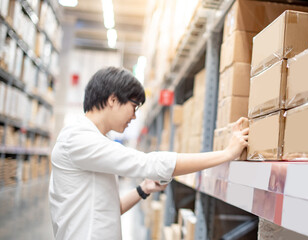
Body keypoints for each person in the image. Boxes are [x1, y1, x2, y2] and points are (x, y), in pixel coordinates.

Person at [48, 66, 249, 239]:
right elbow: (148, 163)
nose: (134, 116)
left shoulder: (95, 141)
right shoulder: (78, 139)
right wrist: (226, 154)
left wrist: (143, 189)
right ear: (112, 99)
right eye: (133, 107)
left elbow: (109, 210)